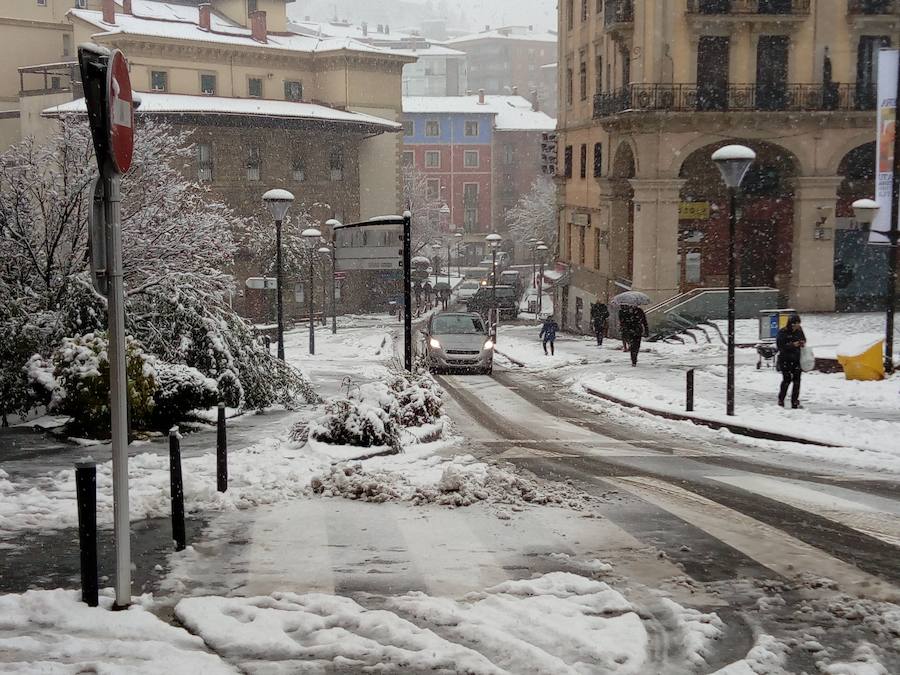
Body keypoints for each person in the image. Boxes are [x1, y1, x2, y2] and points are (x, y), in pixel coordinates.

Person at [776, 314, 806, 409]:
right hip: (785, 359)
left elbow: (803, 339)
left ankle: (795, 401)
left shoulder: (799, 331)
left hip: (796, 359)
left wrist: (802, 343)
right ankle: (781, 399)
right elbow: (781, 346)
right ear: (791, 324)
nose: (797, 326)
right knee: (786, 380)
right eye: (795, 324)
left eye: (798, 323)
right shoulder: (783, 332)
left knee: (797, 381)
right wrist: (793, 344)